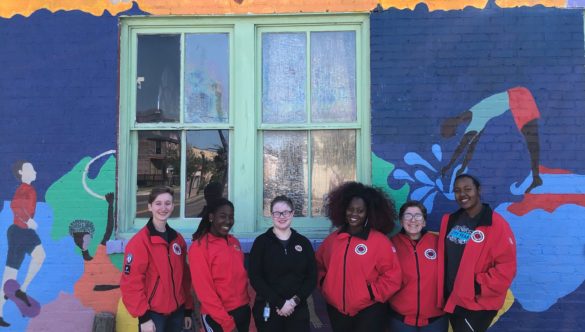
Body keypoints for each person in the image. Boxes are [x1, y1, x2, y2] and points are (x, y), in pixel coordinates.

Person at [316, 181, 402, 332]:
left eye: (360, 210)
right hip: (337, 310)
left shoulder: (380, 241)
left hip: (369, 311)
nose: (354, 214)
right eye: (350, 209)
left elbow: (392, 275)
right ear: (343, 210)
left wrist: (371, 293)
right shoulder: (332, 240)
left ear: (368, 213)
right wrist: (325, 285)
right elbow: (318, 266)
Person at [437, 174, 517, 332]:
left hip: (477, 303)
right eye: (457, 190)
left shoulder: (496, 224)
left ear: (478, 190)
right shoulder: (450, 220)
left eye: (468, 189)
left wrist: (475, 287)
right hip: (452, 299)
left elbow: (507, 268)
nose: (462, 194)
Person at [440, 87, 542, 193]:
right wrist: (461, 167)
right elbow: (470, 148)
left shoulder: (473, 118)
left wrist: (449, 166)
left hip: (518, 97)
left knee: (532, 141)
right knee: (532, 142)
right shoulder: (473, 122)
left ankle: (536, 178)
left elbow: (462, 147)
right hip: (517, 97)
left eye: (452, 133)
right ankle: (536, 178)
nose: (456, 133)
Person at [120, 186, 193, 332]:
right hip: (153, 315)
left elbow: (184, 278)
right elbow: (131, 283)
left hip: (177, 313)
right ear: (150, 207)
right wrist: (144, 317)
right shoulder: (139, 242)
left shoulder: (177, 240)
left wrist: (187, 309)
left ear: (173, 206)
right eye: (158, 203)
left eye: (168, 203)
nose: (163, 208)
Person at [249, 195, 317, 332]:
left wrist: (293, 302)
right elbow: (255, 277)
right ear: (271, 215)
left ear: (292, 213)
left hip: (297, 310)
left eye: (285, 212)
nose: (281, 216)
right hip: (269, 309)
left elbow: (312, 278)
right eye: (277, 213)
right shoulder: (261, 243)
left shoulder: (303, 243)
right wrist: (280, 303)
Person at [189, 198, 250, 332]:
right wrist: (227, 323)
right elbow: (205, 292)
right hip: (218, 317)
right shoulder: (199, 248)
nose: (228, 221)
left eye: (231, 217)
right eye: (222, 216)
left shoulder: (234, 242)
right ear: (211, 217)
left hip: (242, 311)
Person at [0, 161, 46, 328]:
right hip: (20, 233)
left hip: (22, 232)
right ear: (21, 172)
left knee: (39, 256)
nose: (34, 171)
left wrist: (28, 222)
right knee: (9, 277)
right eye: (30, 169)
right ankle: (16, 295)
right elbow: (15, 206)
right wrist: (28, 221)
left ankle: (22, 289)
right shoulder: (24, 189)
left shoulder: (29, 189)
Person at [389, 201, 447, 332]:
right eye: (408, 215)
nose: (413, 219)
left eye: (418, 215)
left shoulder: (439, 243)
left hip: (435, 319)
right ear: (401, 221)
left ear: (424, 221)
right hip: (401, 320)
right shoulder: (390, 244)